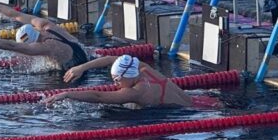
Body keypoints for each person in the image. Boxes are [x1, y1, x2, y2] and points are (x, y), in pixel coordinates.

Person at [0, 0, 89, 70]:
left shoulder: (45, 47)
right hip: (86, 55)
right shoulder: (44, 25)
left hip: (78, 68)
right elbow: (15, 15)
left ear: (33, 43)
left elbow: (12, 46)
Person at [43, 54, 193, 108]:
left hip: (186, 113)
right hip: (197, 102)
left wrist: (67, 94)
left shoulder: (136, 92)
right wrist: (81, 67)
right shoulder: (144, 68)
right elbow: (110, 59)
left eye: (117, 80)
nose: (115, 84)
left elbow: (98, 97)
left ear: (127, 76)